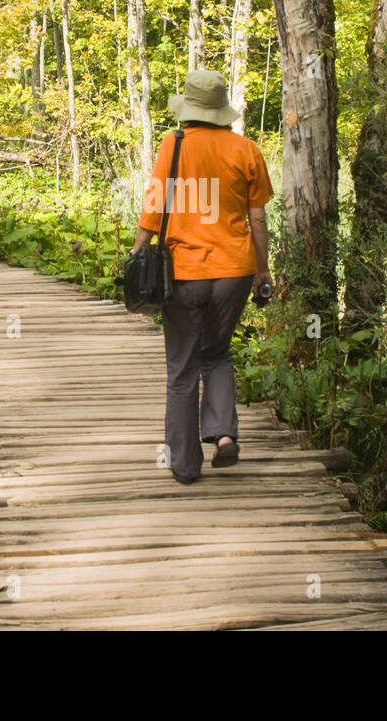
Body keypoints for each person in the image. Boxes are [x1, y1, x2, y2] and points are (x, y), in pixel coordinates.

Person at [132, 69, 275, 484]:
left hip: (183, 273)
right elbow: (259, 217)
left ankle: (185, 465)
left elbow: (154, 205)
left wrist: (138, 252)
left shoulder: (172, 145)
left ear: (188, 111)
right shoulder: (247, 150)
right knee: (217, 354)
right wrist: (262, 268)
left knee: (181, 370)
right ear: (221, 111)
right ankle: (225, 435)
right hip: (233, 272)